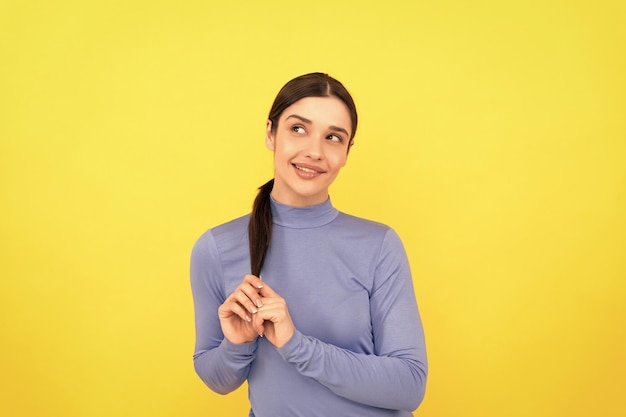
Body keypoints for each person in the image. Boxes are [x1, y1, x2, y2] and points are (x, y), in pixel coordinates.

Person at [190, 72, 427, 416]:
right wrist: (237, 343)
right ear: (271, 133)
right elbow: (217, 378)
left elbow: (409, 385)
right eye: (298, 129)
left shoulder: (378, 245)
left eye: (333, 137)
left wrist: (296, 345)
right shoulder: (217, 247)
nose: (314, 151)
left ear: (347, 152)